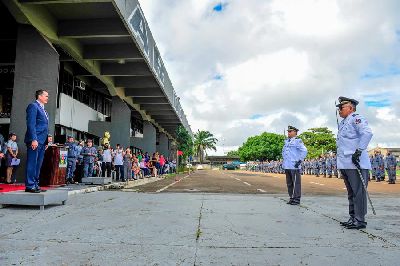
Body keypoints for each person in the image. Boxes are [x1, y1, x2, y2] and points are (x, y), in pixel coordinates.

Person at [336, 96, 373, 230]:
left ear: (351, 108)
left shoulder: (357, 119)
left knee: (359, 192)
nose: (339, 110)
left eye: (341, 107)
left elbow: (367, 133)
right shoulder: (344, 122)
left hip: (356, 162)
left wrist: (359, 151)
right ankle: (353, 217)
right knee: (351, 192)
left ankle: (360, 220)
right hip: (345, 163)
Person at [24, 89, 49, 193]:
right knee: (32, 163)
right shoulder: (33, 106)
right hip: (35, 140)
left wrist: (46, 142)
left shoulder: (44, 110)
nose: (48, 98)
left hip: (42, 141)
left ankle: (35, 184)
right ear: (39, 96)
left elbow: (45, 126)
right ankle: (30, 185)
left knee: (38, 164)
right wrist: (34, 139)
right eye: (46, 96)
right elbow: (31, 124)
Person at [282, 125, 308, 205]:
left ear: (295, 132)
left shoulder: (297, 141)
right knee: (289, 183)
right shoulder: (286, 142)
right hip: (287, 165)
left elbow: (304, 150)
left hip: (294, 165)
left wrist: (299, 160)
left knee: (296, 183)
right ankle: (291, 198)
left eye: (290, 131)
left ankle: (296, 199)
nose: (288, 133)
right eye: (288, 131)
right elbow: (284, 153)